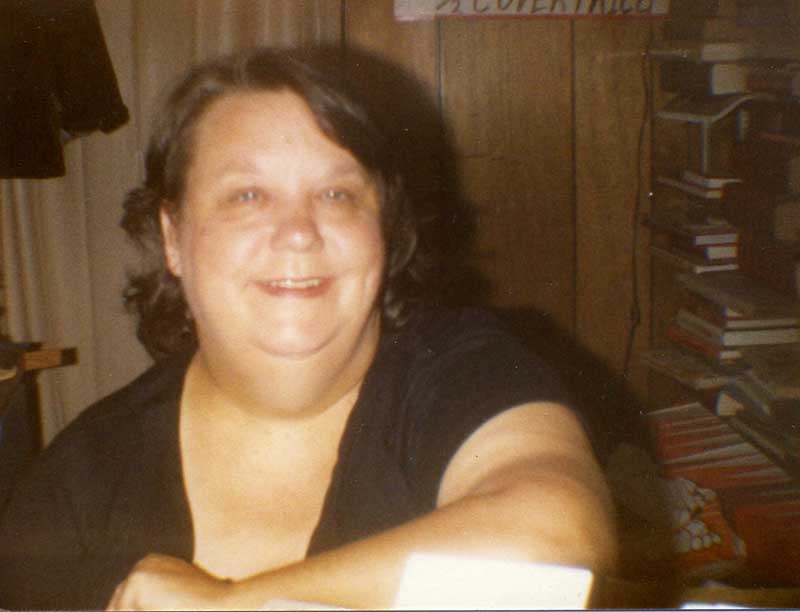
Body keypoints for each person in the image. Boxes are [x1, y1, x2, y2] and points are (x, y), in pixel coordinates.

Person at [0, 47, 617, 610]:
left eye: (336, 194)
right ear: (172, 238)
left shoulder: (462, 367)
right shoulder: (77, 487)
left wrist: (235, 603)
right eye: (247, 196)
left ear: (385, 229)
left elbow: (554, 545)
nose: (298, 231)